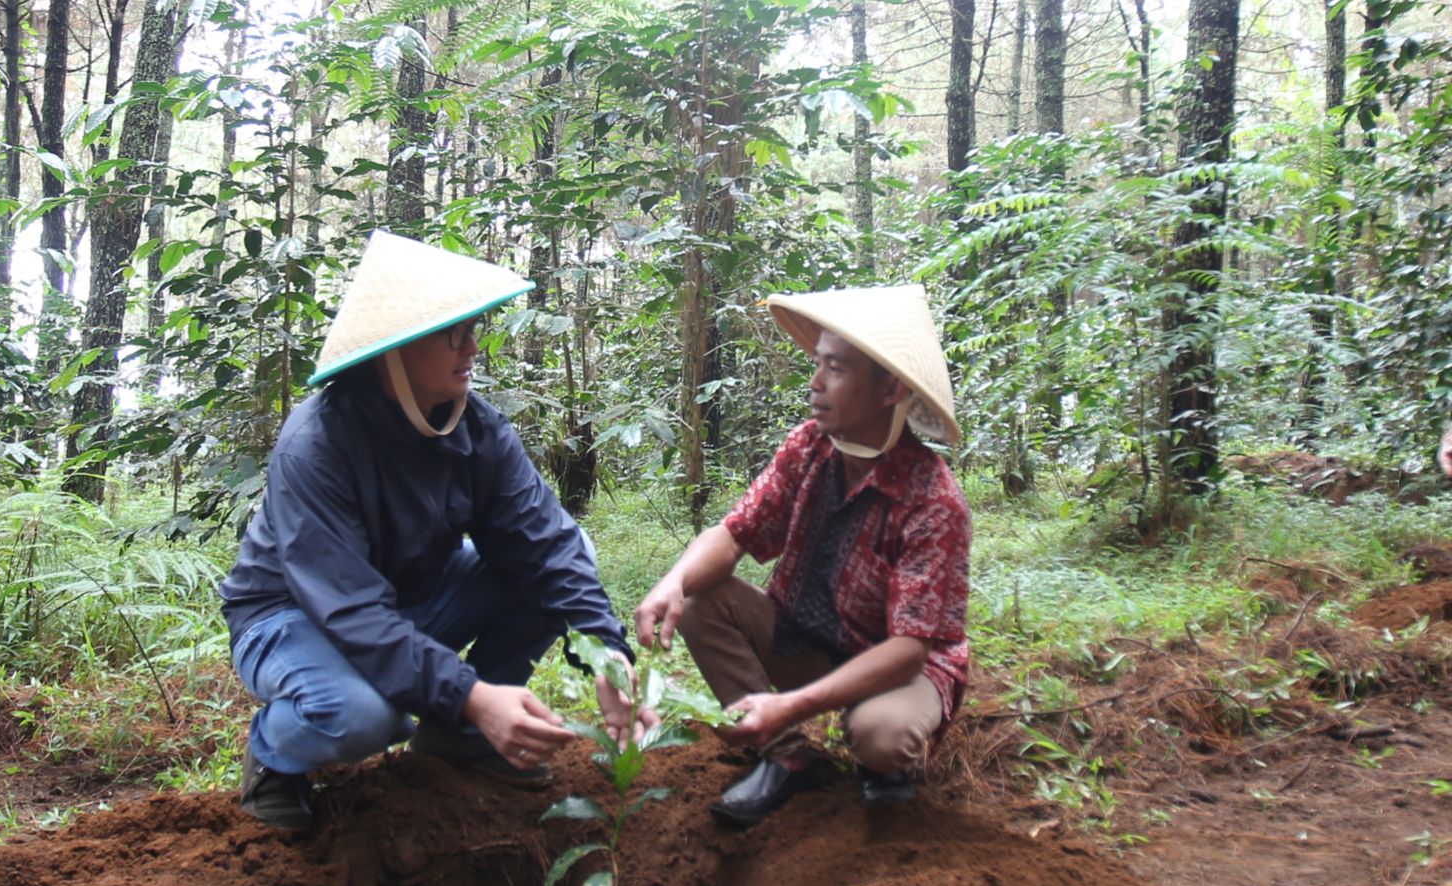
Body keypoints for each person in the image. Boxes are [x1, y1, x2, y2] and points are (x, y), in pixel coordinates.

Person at [220, 232, 648, 831]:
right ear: (398, 346)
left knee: (573, 550)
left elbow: (546, 545)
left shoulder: (477, 428)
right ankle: (274, 758)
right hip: (294, 615)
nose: (473, 346)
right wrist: (472, 692)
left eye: (475, 328)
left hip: (408, 597)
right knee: (364, 716)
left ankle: (460, 738)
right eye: (455, 332)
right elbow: (350, 611)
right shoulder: (318, 444)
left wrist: (608, 653)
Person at [634, 285, 970, 826]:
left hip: (898, 670)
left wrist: (790, 702)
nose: (815, 383)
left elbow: (909, 648)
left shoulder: (933, 498)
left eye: (834, 369)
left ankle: (881, 769)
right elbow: (735, 533)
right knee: (700, 600)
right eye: (817, 364)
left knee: (880, 738)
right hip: (811, 639)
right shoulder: (807, 449)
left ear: (888, 389)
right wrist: (674, 582)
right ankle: (788, 756)